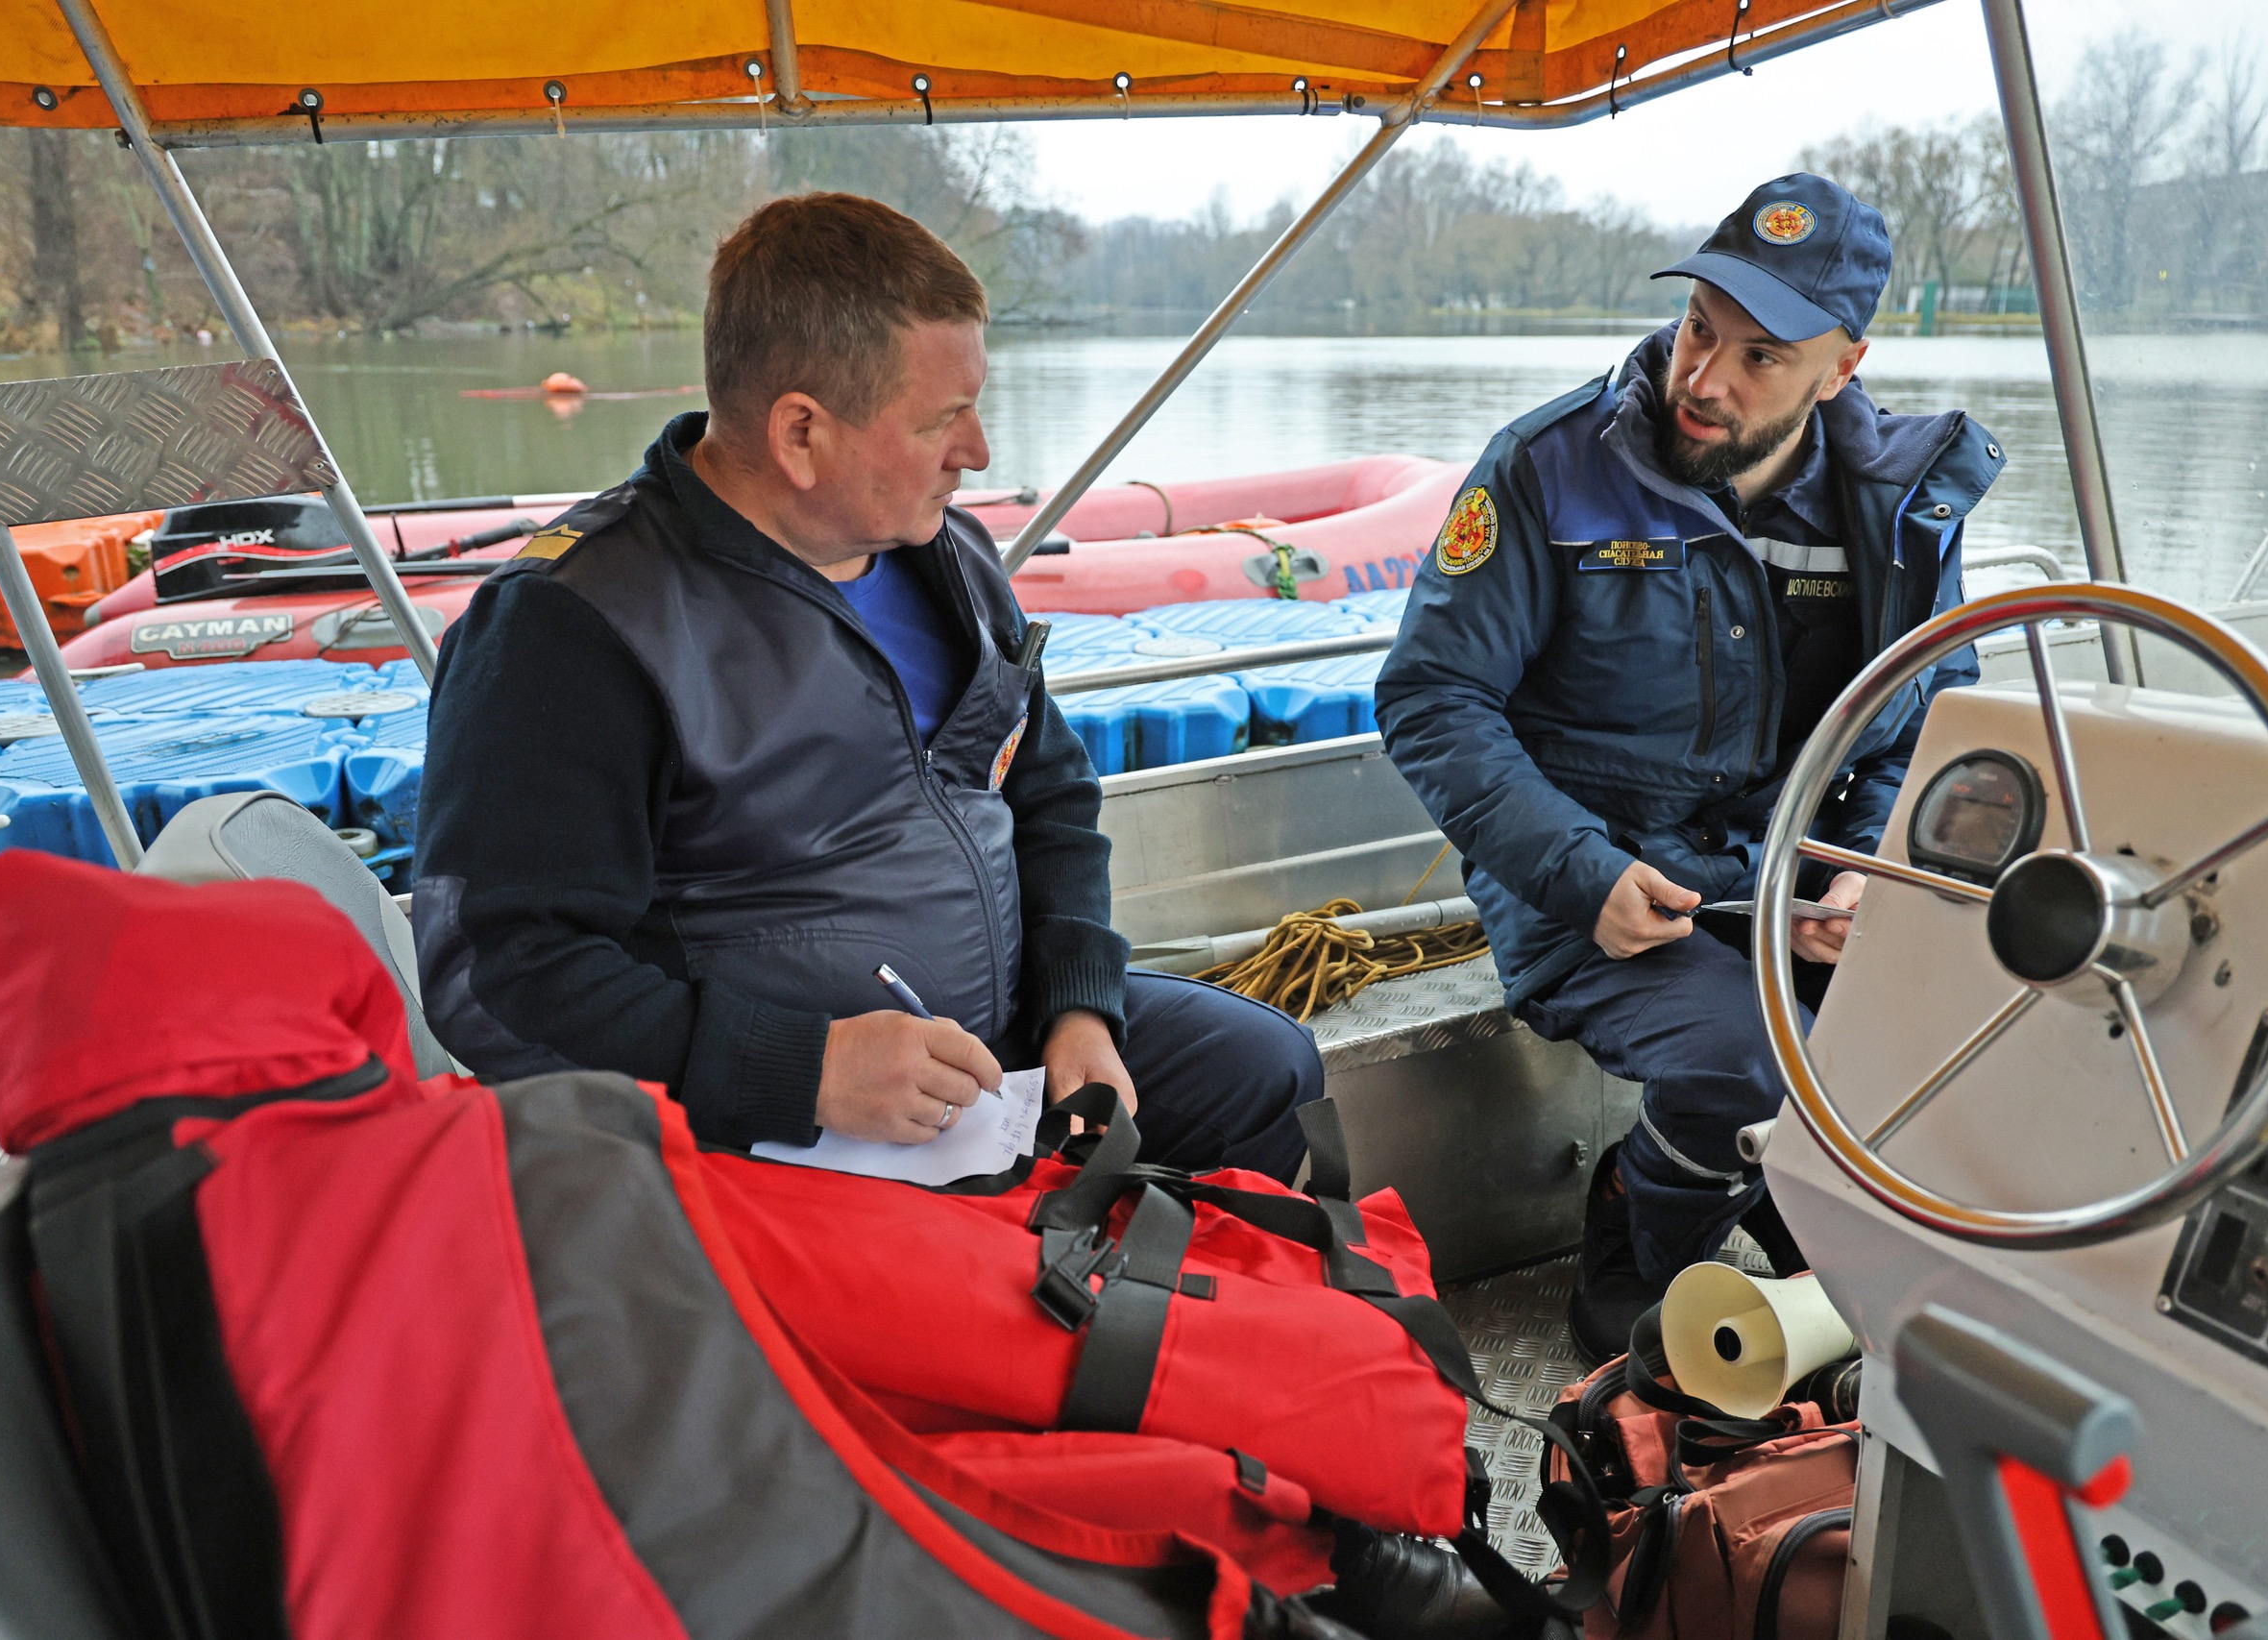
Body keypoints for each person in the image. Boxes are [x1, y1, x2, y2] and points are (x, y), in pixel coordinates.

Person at [413, 192, 1322, 1178]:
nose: (977, 452)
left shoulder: (952, 558)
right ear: (801, 433)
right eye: (944, 418)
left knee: (1263, 1068)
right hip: (768, 1122)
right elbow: (501, 977)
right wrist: (807, 1072)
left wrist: (1077, 1005)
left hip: (1003, 1052)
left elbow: (1046, 793)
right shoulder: (571, 625)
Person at [1374, 174, 2007, 1359]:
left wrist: (1865, 870)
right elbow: (1429, 696)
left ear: (1843, 367)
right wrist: (1578, 871)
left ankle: (1804, 1219)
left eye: (1760, 355)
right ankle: (1642, 1222)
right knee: (1748, 1070)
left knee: (1981, 1021)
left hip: (1795, 877)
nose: (1704, 379)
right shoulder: (1541, 468)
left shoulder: (1902, 508)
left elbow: (1923, 718)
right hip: (1584, 877)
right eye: (1697, 328)